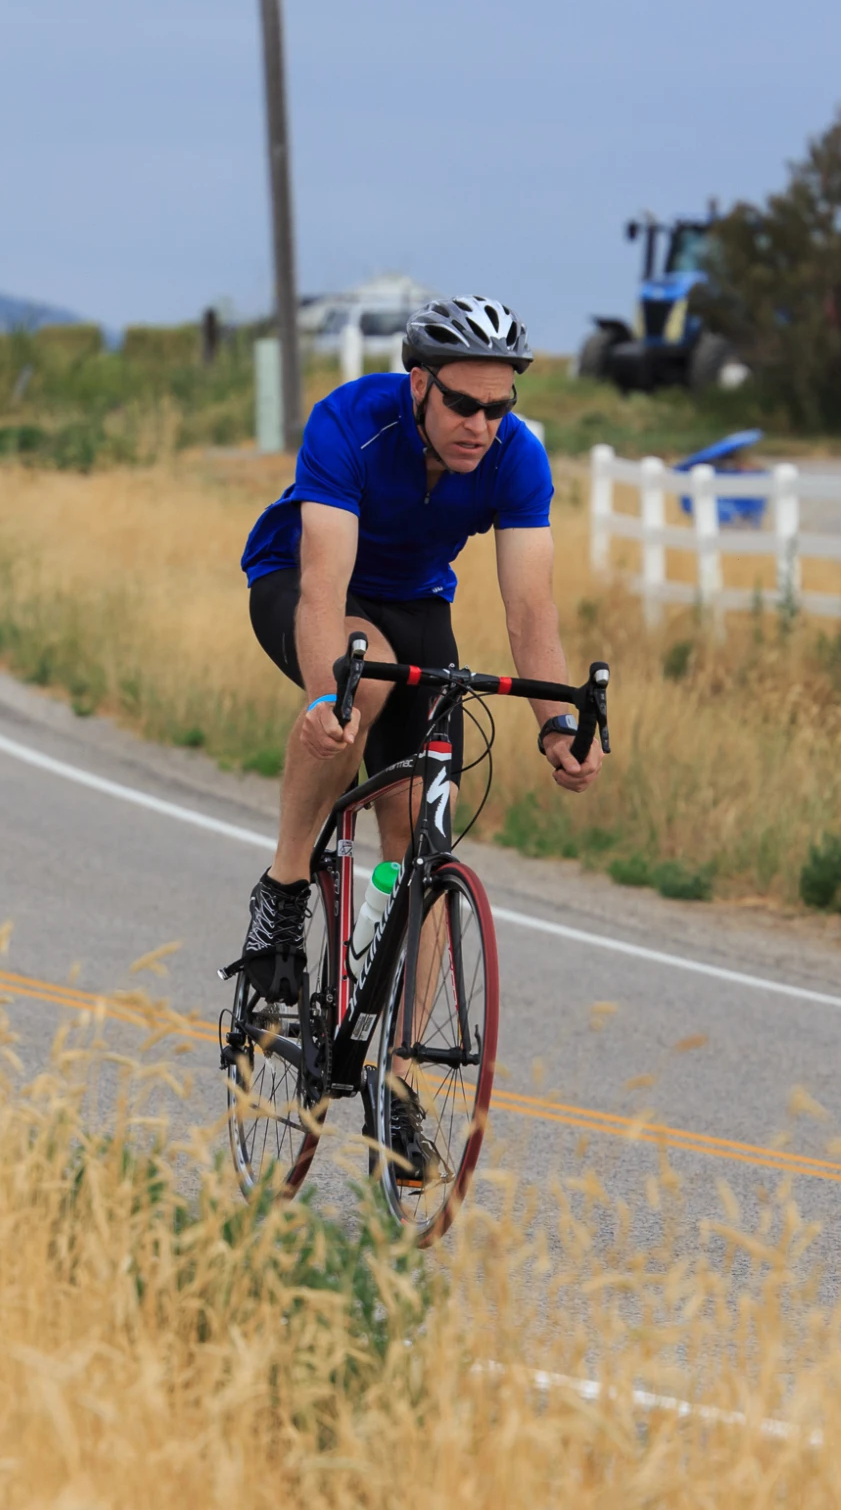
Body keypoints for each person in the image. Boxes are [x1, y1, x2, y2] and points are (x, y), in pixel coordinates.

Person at [231, 294, 603, 1169]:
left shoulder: (516, 459)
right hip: (304, 585)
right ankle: (284, 891)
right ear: (420, 386)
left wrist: (555, 722)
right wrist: (331, 698)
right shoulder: (350, 423)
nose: (483, 424)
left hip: (418, 603)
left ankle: (393, 1085)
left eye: (499, 408)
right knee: (357, 690)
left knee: (419, 831)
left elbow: (529, 607)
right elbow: (324, 587)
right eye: (465, 405)